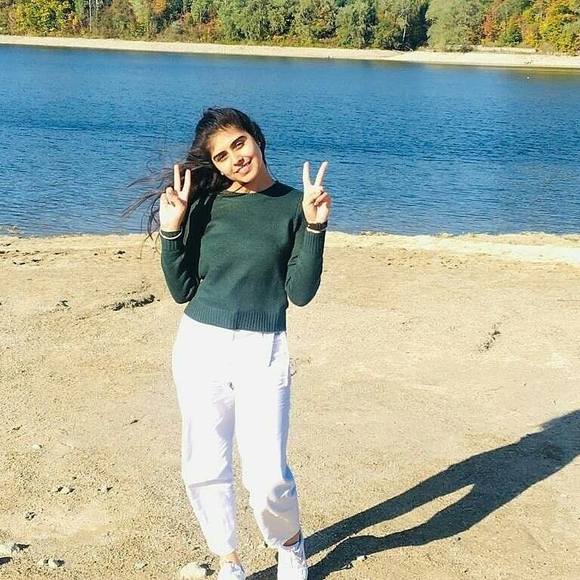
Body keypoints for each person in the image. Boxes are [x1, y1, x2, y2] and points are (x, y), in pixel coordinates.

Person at [132, 107, 331, 580]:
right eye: (221, 155)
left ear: (256, 138)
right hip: (201, 343)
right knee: (204, 463)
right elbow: (182, 289)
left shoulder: (294, 204)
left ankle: (289, 544)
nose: (234, 158)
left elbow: (300, 293)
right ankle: (229, 559)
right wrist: (172, 229)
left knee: (268, 473)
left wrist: (315, 226)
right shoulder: (207, 204)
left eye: (239, 143)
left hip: (264, 348)